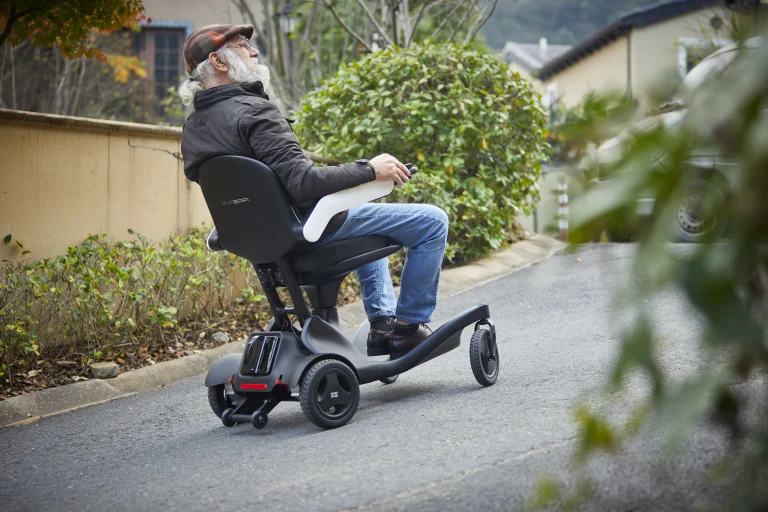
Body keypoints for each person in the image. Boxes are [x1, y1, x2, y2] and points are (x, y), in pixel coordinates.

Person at [179, 24, 449, 356]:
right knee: (432, 221)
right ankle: (409, 328)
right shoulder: (255, 113)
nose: (254, 51)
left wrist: (363, 179)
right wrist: (369, 169)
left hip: (261, 242)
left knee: (363, 208)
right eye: (243, 45)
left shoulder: (193, 129)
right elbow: (304, 183)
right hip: (306, 230)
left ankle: (381, 326)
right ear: (218, 62)